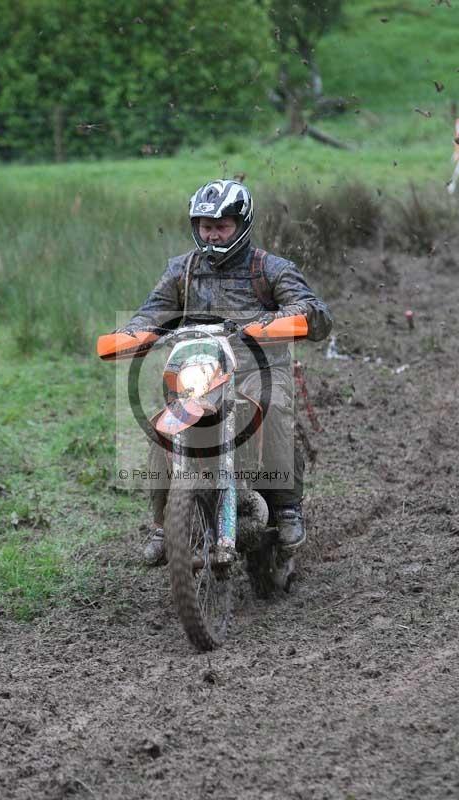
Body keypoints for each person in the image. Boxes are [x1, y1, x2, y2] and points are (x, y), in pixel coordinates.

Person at [120, 180, 332, 587]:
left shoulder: (270, 268)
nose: (212, 234)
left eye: (222, 226)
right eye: (205, 226)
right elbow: (151, 312)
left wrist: (286, 319)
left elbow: (314, 310)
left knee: (269, 409)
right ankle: (165, 525)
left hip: (260, 371)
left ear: (242, 225)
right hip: (201, 373)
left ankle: (286, 507)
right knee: (162, 425)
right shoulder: (181, 270)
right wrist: (134, 334)